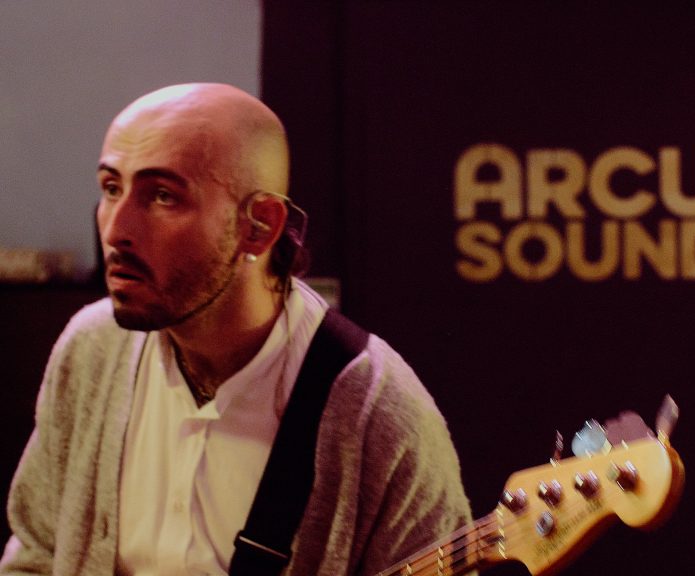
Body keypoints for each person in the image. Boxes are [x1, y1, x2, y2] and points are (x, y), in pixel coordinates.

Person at [1, 83, 473, 575]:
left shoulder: (379, 415)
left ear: (259, 226)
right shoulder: (92, 350)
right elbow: (35, 555)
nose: (116, 231)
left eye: (162, 196)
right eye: (111, 189)